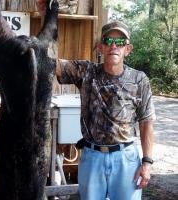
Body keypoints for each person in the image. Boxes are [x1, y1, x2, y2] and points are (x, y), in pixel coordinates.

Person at [36, 1, 155, 200]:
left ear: (128, 49)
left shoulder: (139, 79)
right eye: (108, 41)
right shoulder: (86, 71)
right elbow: (49, 62)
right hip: (92, 158)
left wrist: (147, 163)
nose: (113, 46)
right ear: (100, 47)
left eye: (120, 42)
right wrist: (45, 17)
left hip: (126, 158)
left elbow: (146, 123)